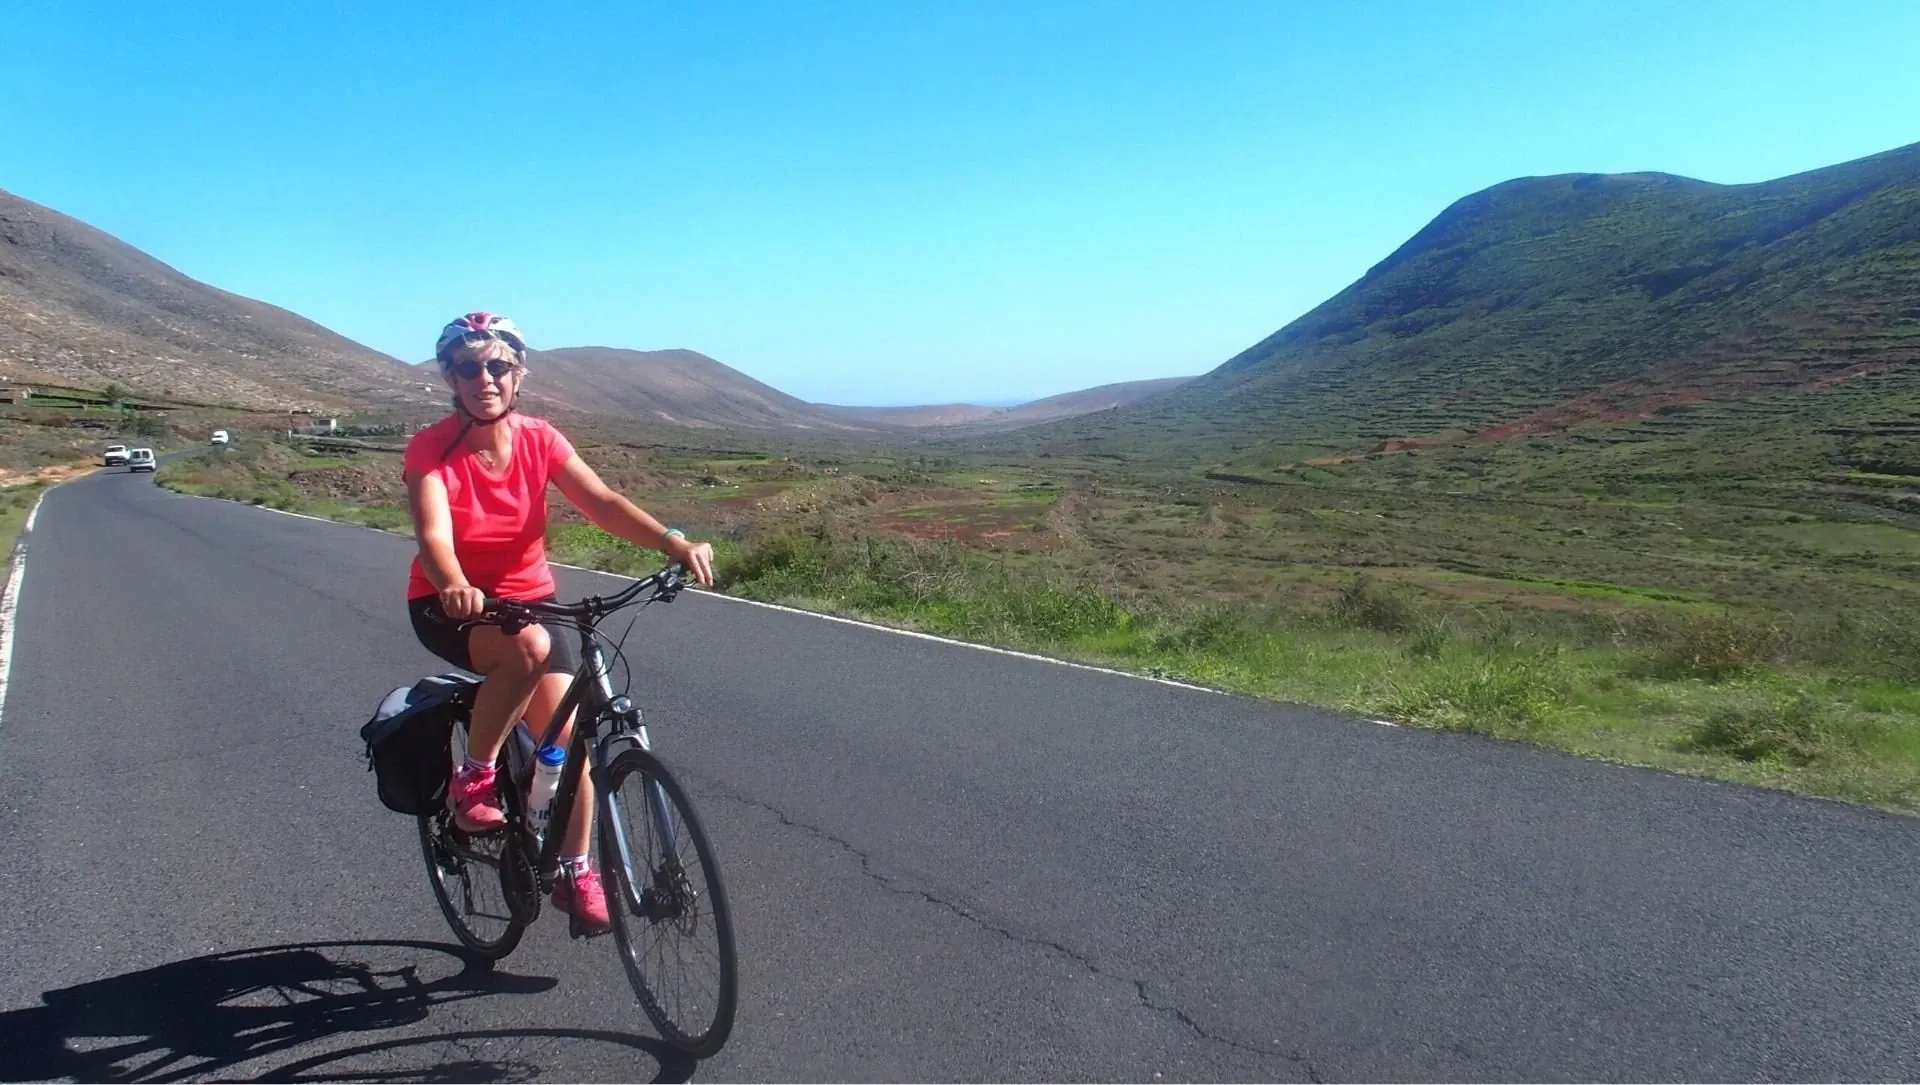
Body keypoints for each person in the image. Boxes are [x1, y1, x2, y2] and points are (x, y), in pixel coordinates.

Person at [403, 312, 715, 932]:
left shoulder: (541, 439)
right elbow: (434, 533)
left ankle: (576, 870)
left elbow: (601, 502)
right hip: (452, 605)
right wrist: (455, 583)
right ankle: (475, 780)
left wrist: (671, 540)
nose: (483, 379)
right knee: (523, 652)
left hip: (533, 605)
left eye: (497, 366)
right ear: (450, 377)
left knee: (566, 741)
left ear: (519, 375)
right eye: (468, 368)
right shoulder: (430, 449)